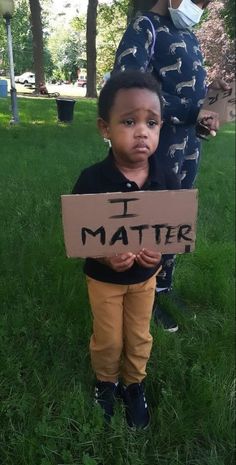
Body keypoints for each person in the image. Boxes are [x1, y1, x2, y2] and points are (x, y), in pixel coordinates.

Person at [113, 0, 229, 332]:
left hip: (188, 147)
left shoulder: (188, 34)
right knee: (147, 218)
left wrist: (210, 97)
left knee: (174, 217)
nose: (199, 6)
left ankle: (163, 287)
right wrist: (192, 111)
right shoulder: (144, 28)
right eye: (197, 0)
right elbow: (129, 88)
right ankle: (140, 296)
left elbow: (183, 91)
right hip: (152, 147)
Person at [72, 70, 179, 428]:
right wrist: (104, 254)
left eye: (153, 122)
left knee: (139, 334)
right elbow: (80, 233)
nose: (142, 132)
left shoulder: (167, 178)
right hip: (104, 279)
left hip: (145, 278)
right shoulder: (92, 181)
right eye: (129, 121)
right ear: (105, 127)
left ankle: (134, 383)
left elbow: (170, 229)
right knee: (108, 337)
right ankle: (106, 382)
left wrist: (159, 254)